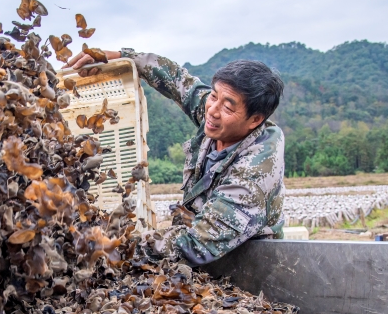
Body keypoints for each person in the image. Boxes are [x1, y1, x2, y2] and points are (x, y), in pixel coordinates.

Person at [64, 48, 285, 266]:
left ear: (254, 120)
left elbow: (196, 243)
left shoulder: (254, 172)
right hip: (199, 249)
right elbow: (177, 79)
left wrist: (111, 247)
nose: (212, 110)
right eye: (213, 96)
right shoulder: (218, 118)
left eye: (227, 107)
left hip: (243, 264)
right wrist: (123, 56)